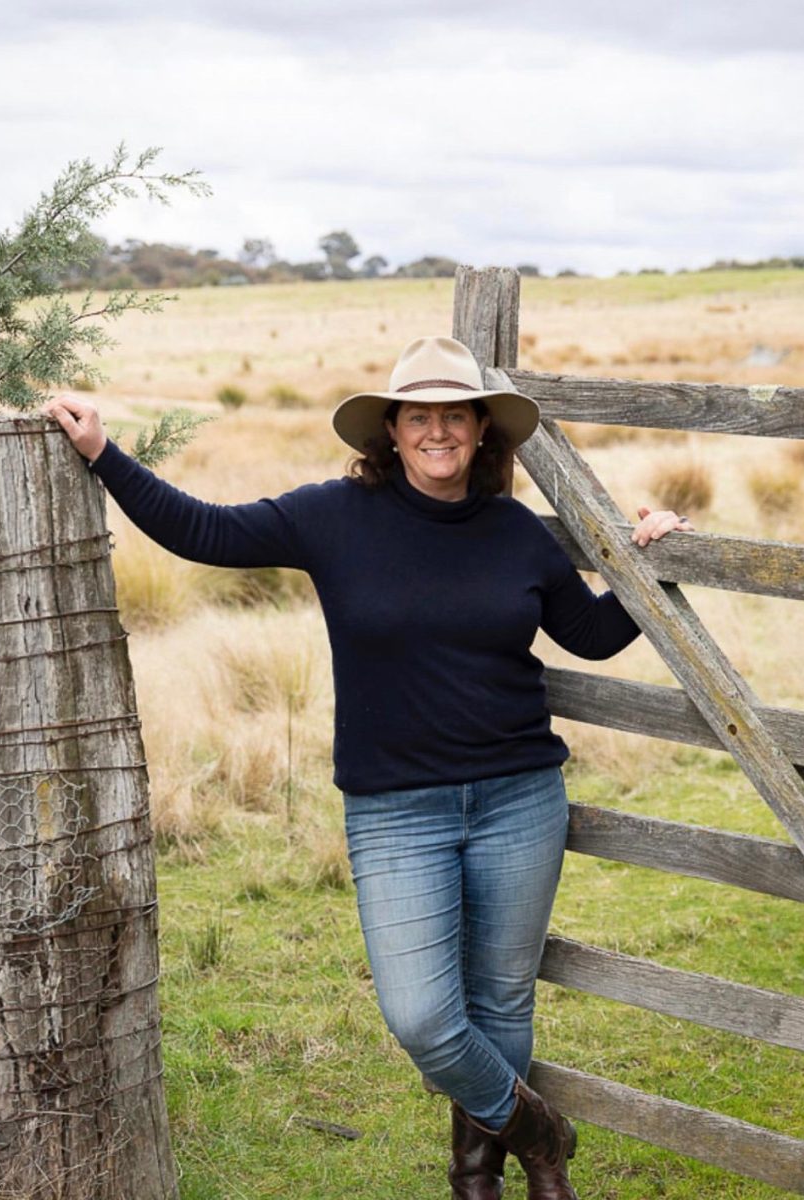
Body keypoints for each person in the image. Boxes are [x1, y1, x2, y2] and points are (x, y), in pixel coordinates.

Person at [45, 335, 692, 1200]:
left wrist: (654, 564)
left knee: (500, 1006)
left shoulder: (514, 532)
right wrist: (102, 453)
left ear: (480, 430)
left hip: (519, 799)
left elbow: (594, 635)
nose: (436, 432)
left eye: (453, 416)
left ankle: (479, 1181)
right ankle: (544, 1132)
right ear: (389, 430)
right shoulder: (332, 517)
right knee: (425, 1017)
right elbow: (201, 529)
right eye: (418, 416)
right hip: (396, 811)